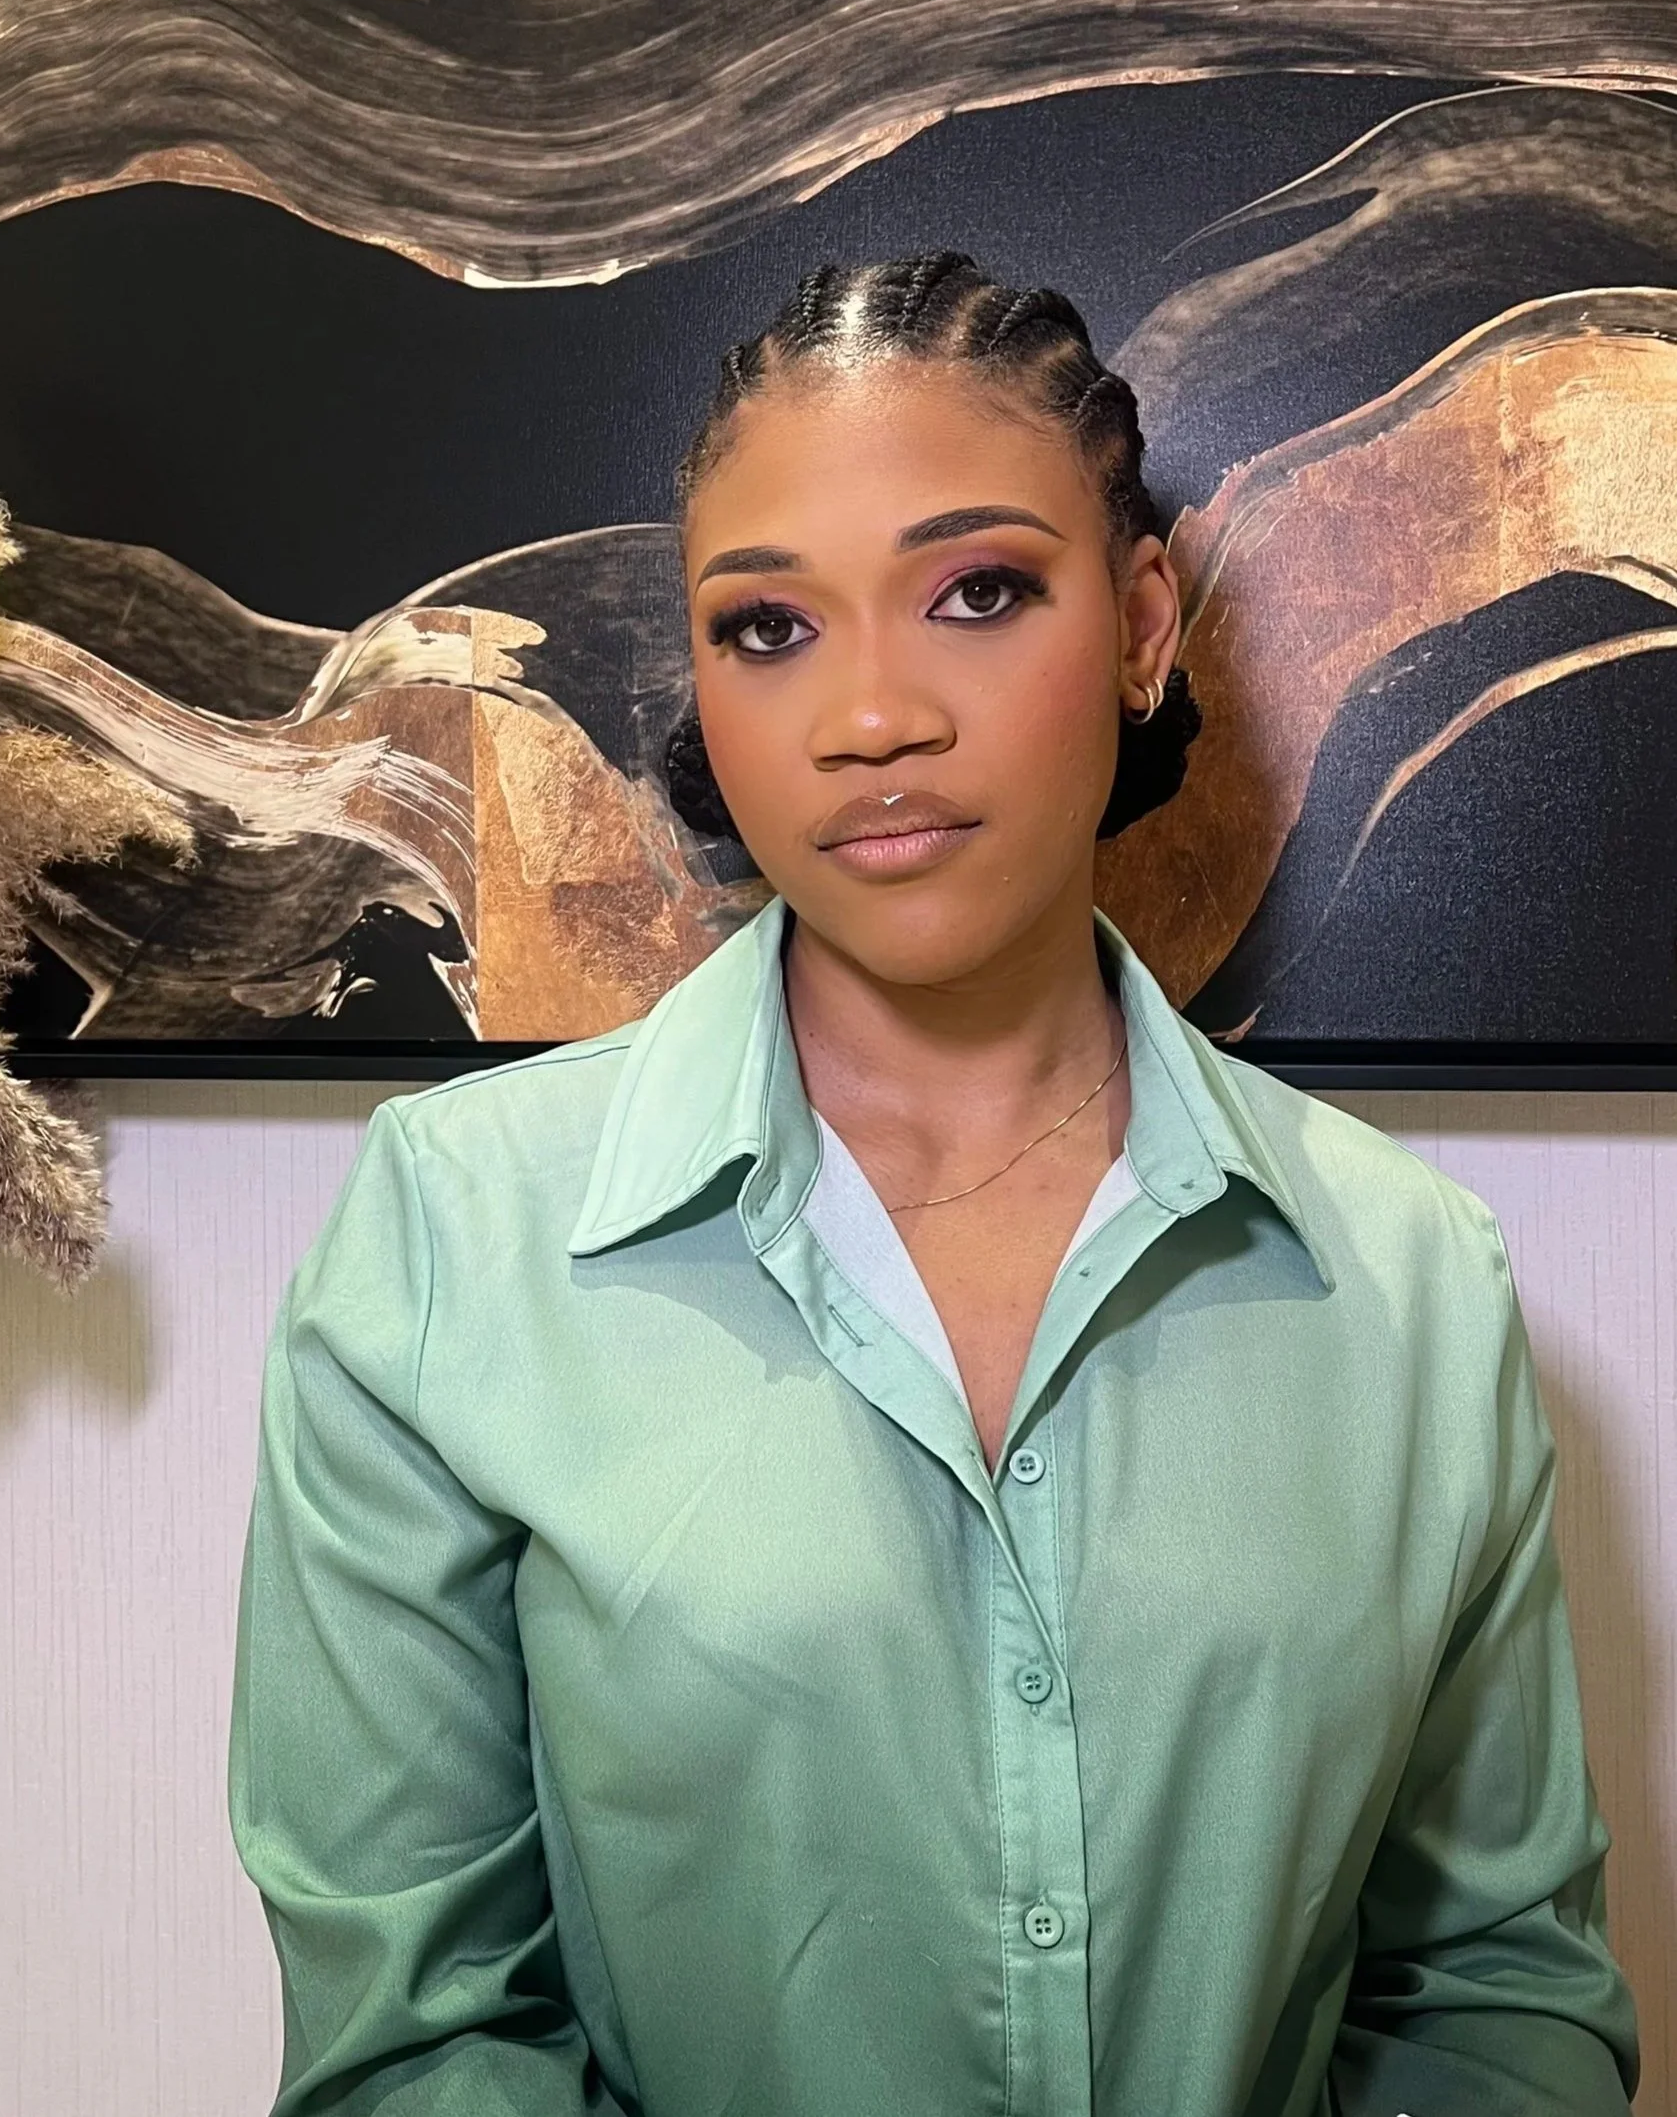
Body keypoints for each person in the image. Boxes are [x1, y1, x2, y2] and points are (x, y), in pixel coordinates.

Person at [228, 252, 1640, 2116]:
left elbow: (1500, 1994)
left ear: (1144, 622)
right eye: (768, 627)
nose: (871, 717)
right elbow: (414, 2046)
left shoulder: (1411, 1279)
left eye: (978, 592)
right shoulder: (450, 1236)